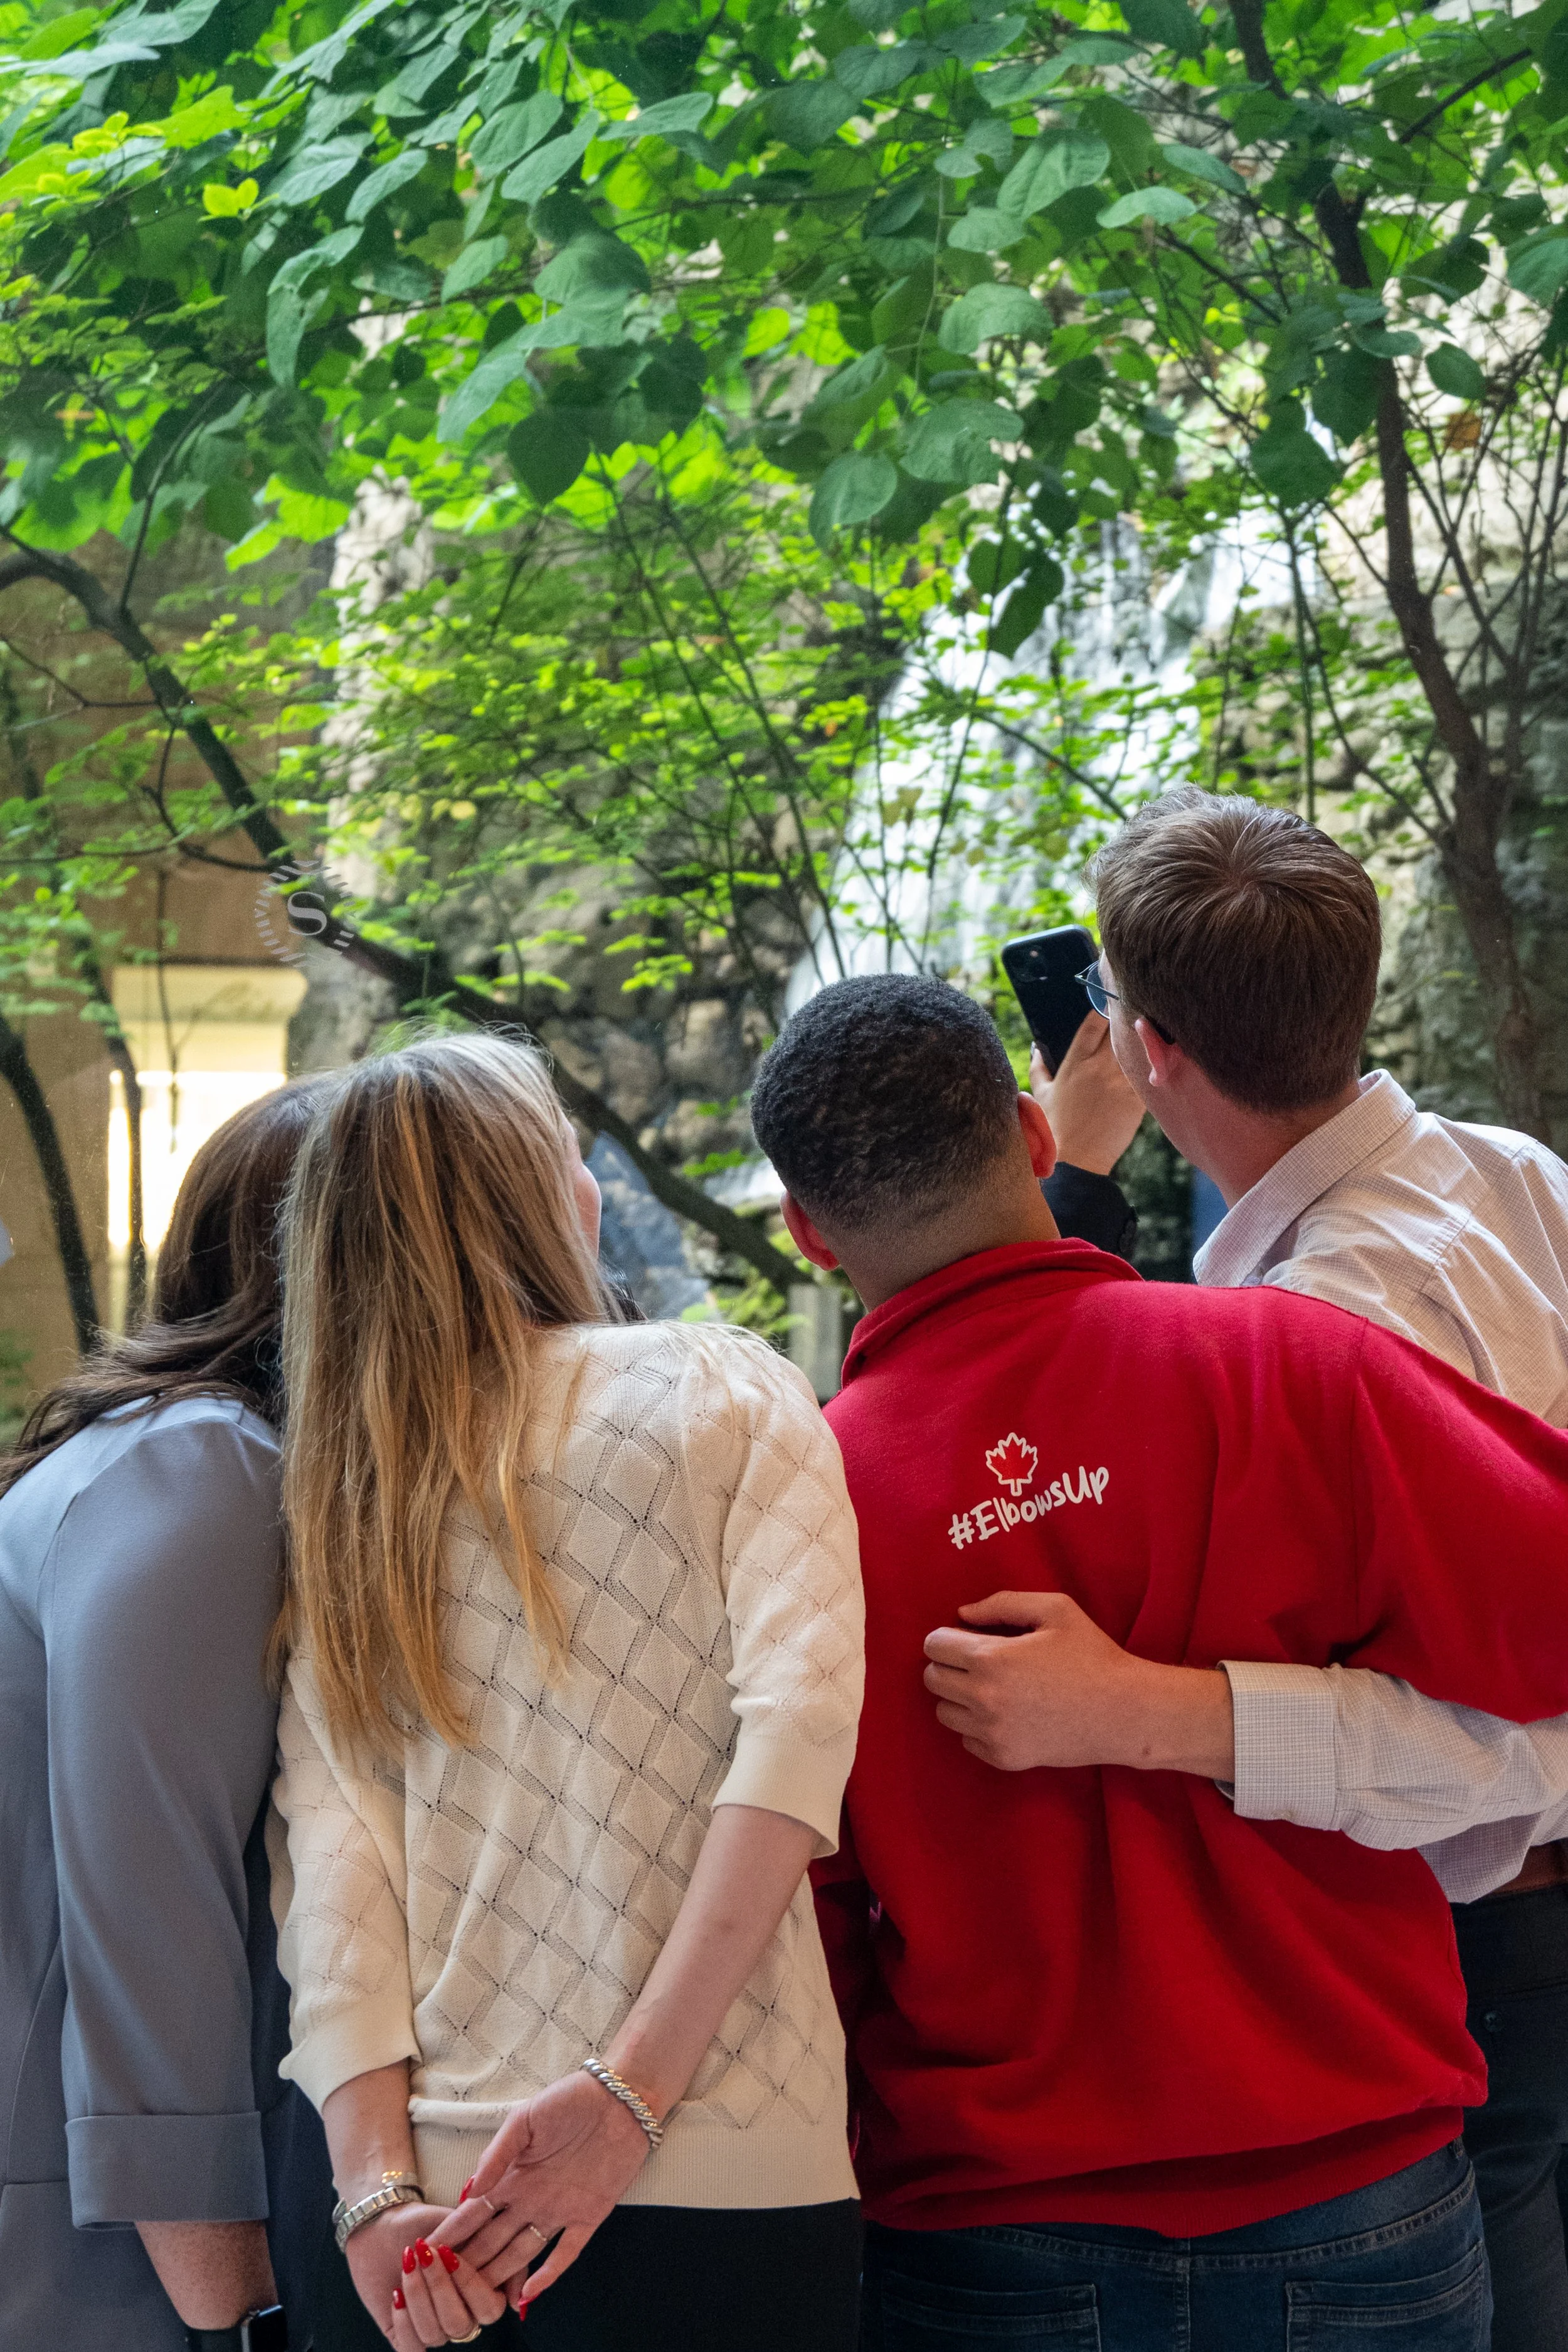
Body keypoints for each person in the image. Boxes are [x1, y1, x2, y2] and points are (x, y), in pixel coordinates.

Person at [748, 970, 1568, 2352]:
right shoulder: (1292, 1365)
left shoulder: (793, 1509)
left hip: (989, 2229)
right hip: (1356, 2189)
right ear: (1034, 1135)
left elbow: (795, 1919)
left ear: (808, 1234)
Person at [988, 791, 1568, 2351]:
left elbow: (1477, 1735)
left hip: (1486, 1936)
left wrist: (1144, 1709)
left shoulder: (1313, 1332)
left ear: (1148, 1045)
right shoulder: (1515, 1172)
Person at [267, 1031, 864, 2352]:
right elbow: (800, 1733)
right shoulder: (725, 1386)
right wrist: (628, 2098)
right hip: (728, 2162)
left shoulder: (352, 1493)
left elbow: (334, 1866)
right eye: (568, 1151)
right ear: (541, 1197)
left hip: (436, 2225)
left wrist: (372, 2191)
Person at [0, 1078, 371, 2352]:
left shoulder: (177, 1452)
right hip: (100, 2259)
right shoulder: (202, 1466)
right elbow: (147, 1915)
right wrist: (242, 2308)